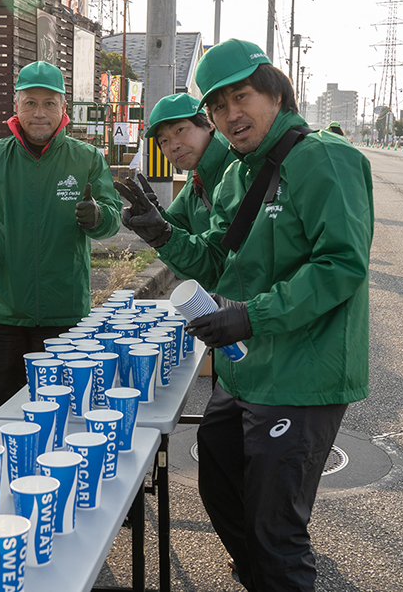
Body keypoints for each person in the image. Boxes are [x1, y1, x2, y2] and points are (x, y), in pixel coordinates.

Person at [115, 39, 373, 592]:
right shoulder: (235, 175)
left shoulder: (325, 157)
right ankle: (259, 574)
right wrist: (159, 231)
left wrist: (250, 317)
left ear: (275, 92)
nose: (231, 114)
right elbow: (217, 262)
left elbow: (341, 266)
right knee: (220, 480)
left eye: (243, 96)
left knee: (276, 529)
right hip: (247, 367)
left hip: (304, 373)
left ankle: (275, 573)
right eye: (217, 105)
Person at [0, 61, 122, 414]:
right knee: (2, 407)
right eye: (30, 103)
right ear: (16, 105)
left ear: (63, 108)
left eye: (48, 103)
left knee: (64, 407)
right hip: (5, 313)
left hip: (66, 312)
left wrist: (98, 217)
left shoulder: (86, 158)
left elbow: (112, 218)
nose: (39, 113)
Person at [143, 92, 234, 386]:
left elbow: (214, 258)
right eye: (163, 141)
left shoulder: (236, 169)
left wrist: (163, 233)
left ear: (207, 124)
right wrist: (153, 218)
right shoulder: (197, 180)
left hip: (252, 315)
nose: (173, 145)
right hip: (224, 315)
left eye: (180, 130)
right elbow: (175, 231)